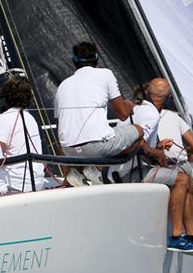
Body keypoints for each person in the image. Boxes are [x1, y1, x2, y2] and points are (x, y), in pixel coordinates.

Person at [132, 79, 193, 257]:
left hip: (145, 165)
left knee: (185, 179)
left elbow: (136, 140)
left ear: (147, 92)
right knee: (186, 179)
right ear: (169, 97)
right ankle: (185, 235)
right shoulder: (158, 115)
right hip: (145, 168)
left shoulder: (133, 112)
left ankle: (189, 236)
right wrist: (160, 152)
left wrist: (157, 148)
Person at [54, 42, 142, 185]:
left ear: (73, 61)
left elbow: (59, 129)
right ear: (96, 59)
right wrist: (130, 106)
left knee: (80, 145)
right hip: (97, 148)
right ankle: (96, 168)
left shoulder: (62, 85)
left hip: (68, 151)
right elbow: (123, 115)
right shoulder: (106, 74)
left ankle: (73, 173)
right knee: (139, 130)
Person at [0, 76, 46, 192]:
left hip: (16, 184)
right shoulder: (31, 118)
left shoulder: (3, 119)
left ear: (6, 96)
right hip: (38, 182)